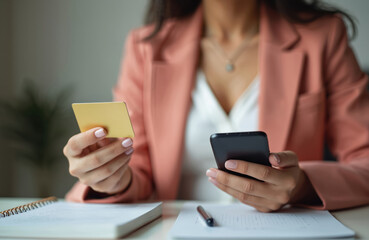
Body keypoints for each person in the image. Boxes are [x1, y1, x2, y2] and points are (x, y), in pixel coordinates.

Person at [64, 0, 369, 212]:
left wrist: (302, 185)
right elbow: (138, 166)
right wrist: (112, 178)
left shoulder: (322, 37)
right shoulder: (146, 47)